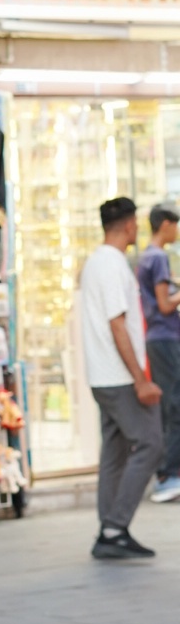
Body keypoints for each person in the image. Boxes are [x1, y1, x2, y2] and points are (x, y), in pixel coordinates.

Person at [80, 196, 163, 560]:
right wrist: (140, 379)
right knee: (150, 443)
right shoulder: (112, 265)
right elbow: (118, 324)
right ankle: (114, 526)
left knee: (114, 452)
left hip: (103, 375)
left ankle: (110, 531)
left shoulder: (95, 262)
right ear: (129, 225)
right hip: (119, 377)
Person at [137, 202, 180, 504]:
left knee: (170, 405)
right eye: (175, 224)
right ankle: (168, 475)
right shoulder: (158, 257)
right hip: (165, 337)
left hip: (158, 338)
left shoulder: (146, 257)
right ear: (165, 224)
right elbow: (165, 305)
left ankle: (168, 473)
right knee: (174, 406)